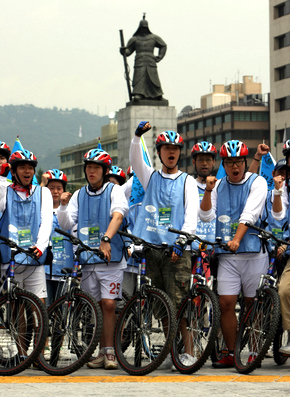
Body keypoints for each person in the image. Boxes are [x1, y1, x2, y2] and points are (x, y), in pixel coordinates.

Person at [130, 121, 199, 367]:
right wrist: (137, 137)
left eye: (175, 149)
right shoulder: (150, 177)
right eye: (166, 148)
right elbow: (136, 161)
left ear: (180, 153)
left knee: (178, 303)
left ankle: (189, 352)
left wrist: (182, 241)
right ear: (159, 153)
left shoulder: (187, 181)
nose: (171, 152)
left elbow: (192, 215)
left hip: (177, 251)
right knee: (161, 305)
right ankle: (171, 351)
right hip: (154, 250)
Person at [57, 148, 128, 370]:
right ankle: (99, 351)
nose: (91, 171)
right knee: (95, 307)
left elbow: (118, 215)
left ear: (105, 171)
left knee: (108, 304)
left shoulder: (114, 190)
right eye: (88, 167)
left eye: (96, 167)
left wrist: (106, 238)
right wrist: (62, 206)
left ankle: (110, 352)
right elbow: (67, 224)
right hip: (88, 259)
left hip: (111, 258)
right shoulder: (79, 194)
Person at [200, 139, 268, 368]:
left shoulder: (257, 182)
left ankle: (255, 351)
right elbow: (207, 216)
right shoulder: (218, 186)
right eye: (229, 163)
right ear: (224, 164)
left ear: (245, 161)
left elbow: (250, 213)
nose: (234, 167)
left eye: (238, 161)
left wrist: (237, 239)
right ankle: (231, 351)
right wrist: (208, 191)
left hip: (252, 252)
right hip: (227, 255)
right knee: (227, 303)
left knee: (253, 303)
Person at [0, 150, 53, 307]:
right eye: (22, 167)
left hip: (34, 256)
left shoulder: (44, 192)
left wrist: (41, 246)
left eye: (30, 167)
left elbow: (46, 222)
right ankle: (19, 332)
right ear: (13, 171)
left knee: (38, 304)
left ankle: (39, 331)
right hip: (10, 258)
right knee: (17, 305)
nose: (27, 171)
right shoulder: (5, 191)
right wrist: (3, 177)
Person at [40, 169, 74, 307]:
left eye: (59, 188)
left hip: (65, 267)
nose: (55, 192)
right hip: (46, 268)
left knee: (62, 307)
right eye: (51, 188)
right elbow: (34, 199)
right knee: (46, 307)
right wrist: (42, 185)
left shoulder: (71, 211)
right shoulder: (41, 209)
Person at [120, 16, 167, 101]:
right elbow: (128, 51)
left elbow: (163, 45)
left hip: (150, 61)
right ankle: (139, 94)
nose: (144, 30)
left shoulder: (154, 37)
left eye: (145, 28)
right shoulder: (134, 39)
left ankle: (157, 94)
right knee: (139, 78)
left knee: (153, 78)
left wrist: (160, 56)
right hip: (139, 61)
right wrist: (123, 51)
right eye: (142, 28)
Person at [272, 142, 290, 354]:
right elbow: (279, 217)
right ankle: (288, 333)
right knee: (284, 290)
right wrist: (277, 192)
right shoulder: (284, 188)